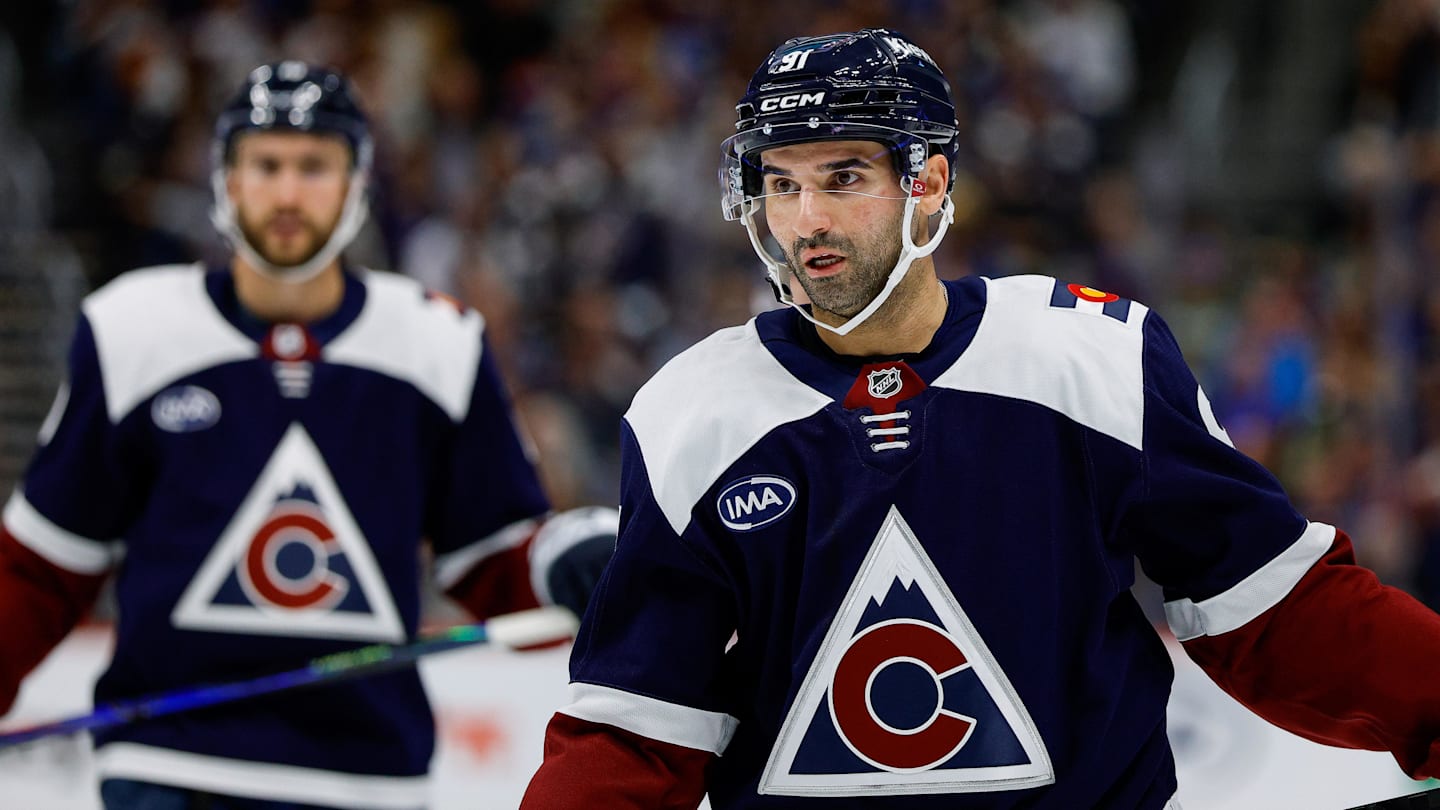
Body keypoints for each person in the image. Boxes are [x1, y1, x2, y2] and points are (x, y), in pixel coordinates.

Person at [520, 28, 1440, 809]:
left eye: (843, 177)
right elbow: (636, 734)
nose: (805, 221)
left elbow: (1279, 615)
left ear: (928, 183)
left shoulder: (1094, 359)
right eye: (781, 183)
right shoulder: (692, 413)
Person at [0, 61, 616, 810]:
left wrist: (570, 562)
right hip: (170, 770)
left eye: (314, 167)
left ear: (357, 183)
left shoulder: (438, 344)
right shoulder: (132, 331)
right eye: (265, 165)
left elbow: (494, 561)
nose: (288, 193)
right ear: (224, 181)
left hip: (369, 777)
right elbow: (41, 567)